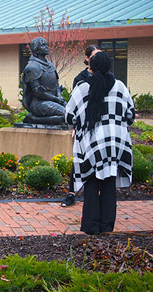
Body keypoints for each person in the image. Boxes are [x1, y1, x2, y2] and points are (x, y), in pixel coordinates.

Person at [65, 51, 135, 235]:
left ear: (91, 67)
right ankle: (107, 227)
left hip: (92, 141)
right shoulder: (120, 86)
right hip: (115, 142)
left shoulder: (82, 88)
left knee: (91, 182)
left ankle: (91, 226)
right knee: (109, 184)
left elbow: (69, 116)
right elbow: (130, 114)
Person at [61, 45, 101, 207]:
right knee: (80, 159)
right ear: (87, 59)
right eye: (94, 55)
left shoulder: (108, 77)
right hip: (85, 127)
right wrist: (75, 127)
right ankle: (71, 193)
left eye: (100, 55)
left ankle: (100, 196)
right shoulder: (81, 79)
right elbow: (74, 107)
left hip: (102, 127)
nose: (97, 58)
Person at [22, 37, 66, 125]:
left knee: (72, 113)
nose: (46, 47)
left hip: (53, 100)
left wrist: (59, 95)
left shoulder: (50, 65)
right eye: (43, 45)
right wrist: (56, 99)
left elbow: (56, 84)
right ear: (36, 49)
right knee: (66, 115)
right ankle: (33, 118)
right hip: (39, 103)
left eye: (46, 44)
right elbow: (37, 92)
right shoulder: (32, 67)